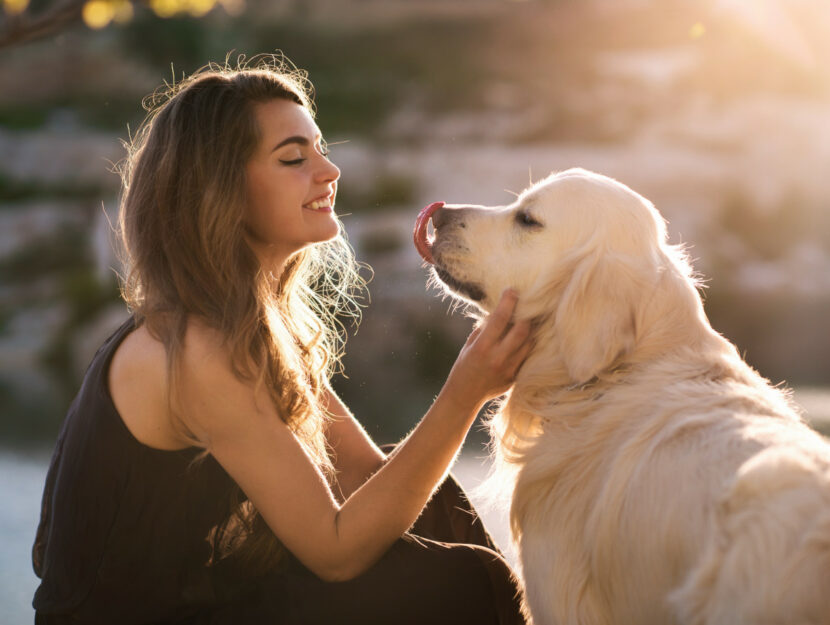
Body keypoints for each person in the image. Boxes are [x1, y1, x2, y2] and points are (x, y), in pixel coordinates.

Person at [31, 55, 533, 625]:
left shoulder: (249, 325)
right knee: (467, 581)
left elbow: (365, 476)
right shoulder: (194, 348)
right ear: (220, 192)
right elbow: (337, 552)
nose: (328, 171)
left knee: (436, 502)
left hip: (217, 601)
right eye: (294, 158)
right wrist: (465, 394)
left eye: (320, 149)